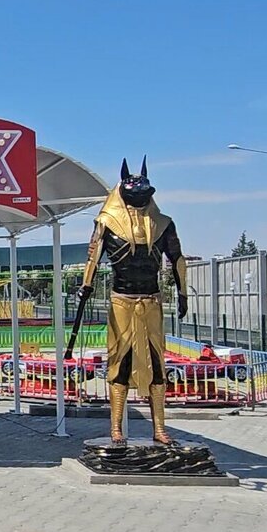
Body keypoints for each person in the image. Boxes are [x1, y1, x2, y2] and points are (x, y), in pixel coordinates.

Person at [77, 158, 187, 445]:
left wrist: (183, 293)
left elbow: (177, 259)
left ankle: (159, 428)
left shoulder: (163, 224)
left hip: (151, 301)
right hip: (122, 301)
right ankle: (116, 427)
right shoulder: (107, 222)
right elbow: (93, 256)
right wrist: (85, 287)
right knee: (120, 362)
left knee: (157, 363)